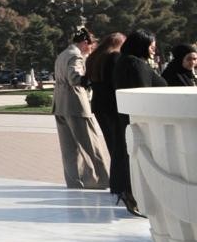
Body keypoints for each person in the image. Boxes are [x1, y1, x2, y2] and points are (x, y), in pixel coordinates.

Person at [111, 29, 167, 217]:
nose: (153, 50)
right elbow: (144, 94)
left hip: (129, 118)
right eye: (151, 46)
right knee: (138, 158)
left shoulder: (126, 61)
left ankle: (130, 193)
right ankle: (134, 196)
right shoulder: (135, 64)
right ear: (142, 45)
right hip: (140, 121)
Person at [52, 28, 110, 190]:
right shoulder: (76, 55)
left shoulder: (63, 54)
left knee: (69, 148)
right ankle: (101, 179)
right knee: (90, 144)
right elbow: (75, 78)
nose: (91, 50)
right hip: (76, 104)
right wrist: (92, 79)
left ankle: (75, 181)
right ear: (85, 43)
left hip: (60, 104)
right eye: (91, 46)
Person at [86, 32, 126, 196]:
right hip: (112, 105)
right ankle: (121, 183)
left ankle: (115, 182)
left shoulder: (93, 58)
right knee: (119, 146)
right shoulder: (114, 57)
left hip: (99, 105)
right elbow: (116, 82)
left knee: (111, 143)